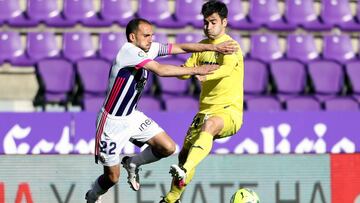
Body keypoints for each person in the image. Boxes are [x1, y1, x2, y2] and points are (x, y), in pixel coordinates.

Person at [85, 17, 238, 203]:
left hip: (131, 116)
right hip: (111, 122)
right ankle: (93, 195)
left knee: (168, 147)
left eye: (152, 35)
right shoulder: (129, 52)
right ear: (133, 37)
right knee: (112, 177)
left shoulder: (147, 48)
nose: (151, 39)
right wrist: (197, 70)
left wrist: (214, 47)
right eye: (146, 35)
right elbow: (160, 70)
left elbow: (180, 47)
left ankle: (132, 163)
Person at [160, 1, 244, 203]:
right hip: (204, 111)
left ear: (224, 22)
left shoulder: (231, 46)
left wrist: (205, 75)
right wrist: (181, 72)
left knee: (211, 125)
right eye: (205, 22)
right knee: (183, 156)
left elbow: (225, 70)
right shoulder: (202, 46)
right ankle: (171, 199)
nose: (208, 26)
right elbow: (188, 69)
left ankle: (186, 170)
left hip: (229, 111)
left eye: (213, 22)